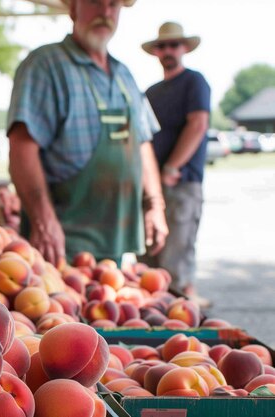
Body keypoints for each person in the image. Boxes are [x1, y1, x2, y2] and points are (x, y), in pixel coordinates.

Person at [6, 0, 168, 268]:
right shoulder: (45, 65)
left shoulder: (124, 75)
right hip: (62, 245)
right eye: (94, 1)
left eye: (113, 4)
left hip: (116, 240)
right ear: (72, 9)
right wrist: (43, 221)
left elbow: (143, 143)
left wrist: (155, 204)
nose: (105, 12)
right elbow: (22, 148)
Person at [141, 22, 212, 307]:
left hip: (181, 180)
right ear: (156, 52)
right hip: (154, 183)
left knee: (177, 251)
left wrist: (172, 166)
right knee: (151, 255)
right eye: (162, 46)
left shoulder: (194, 81)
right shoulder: (152, 91)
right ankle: (164, 309)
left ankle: (184, 310)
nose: (168, 50)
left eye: (174, 45)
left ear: (184, 48)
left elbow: (198, 125)